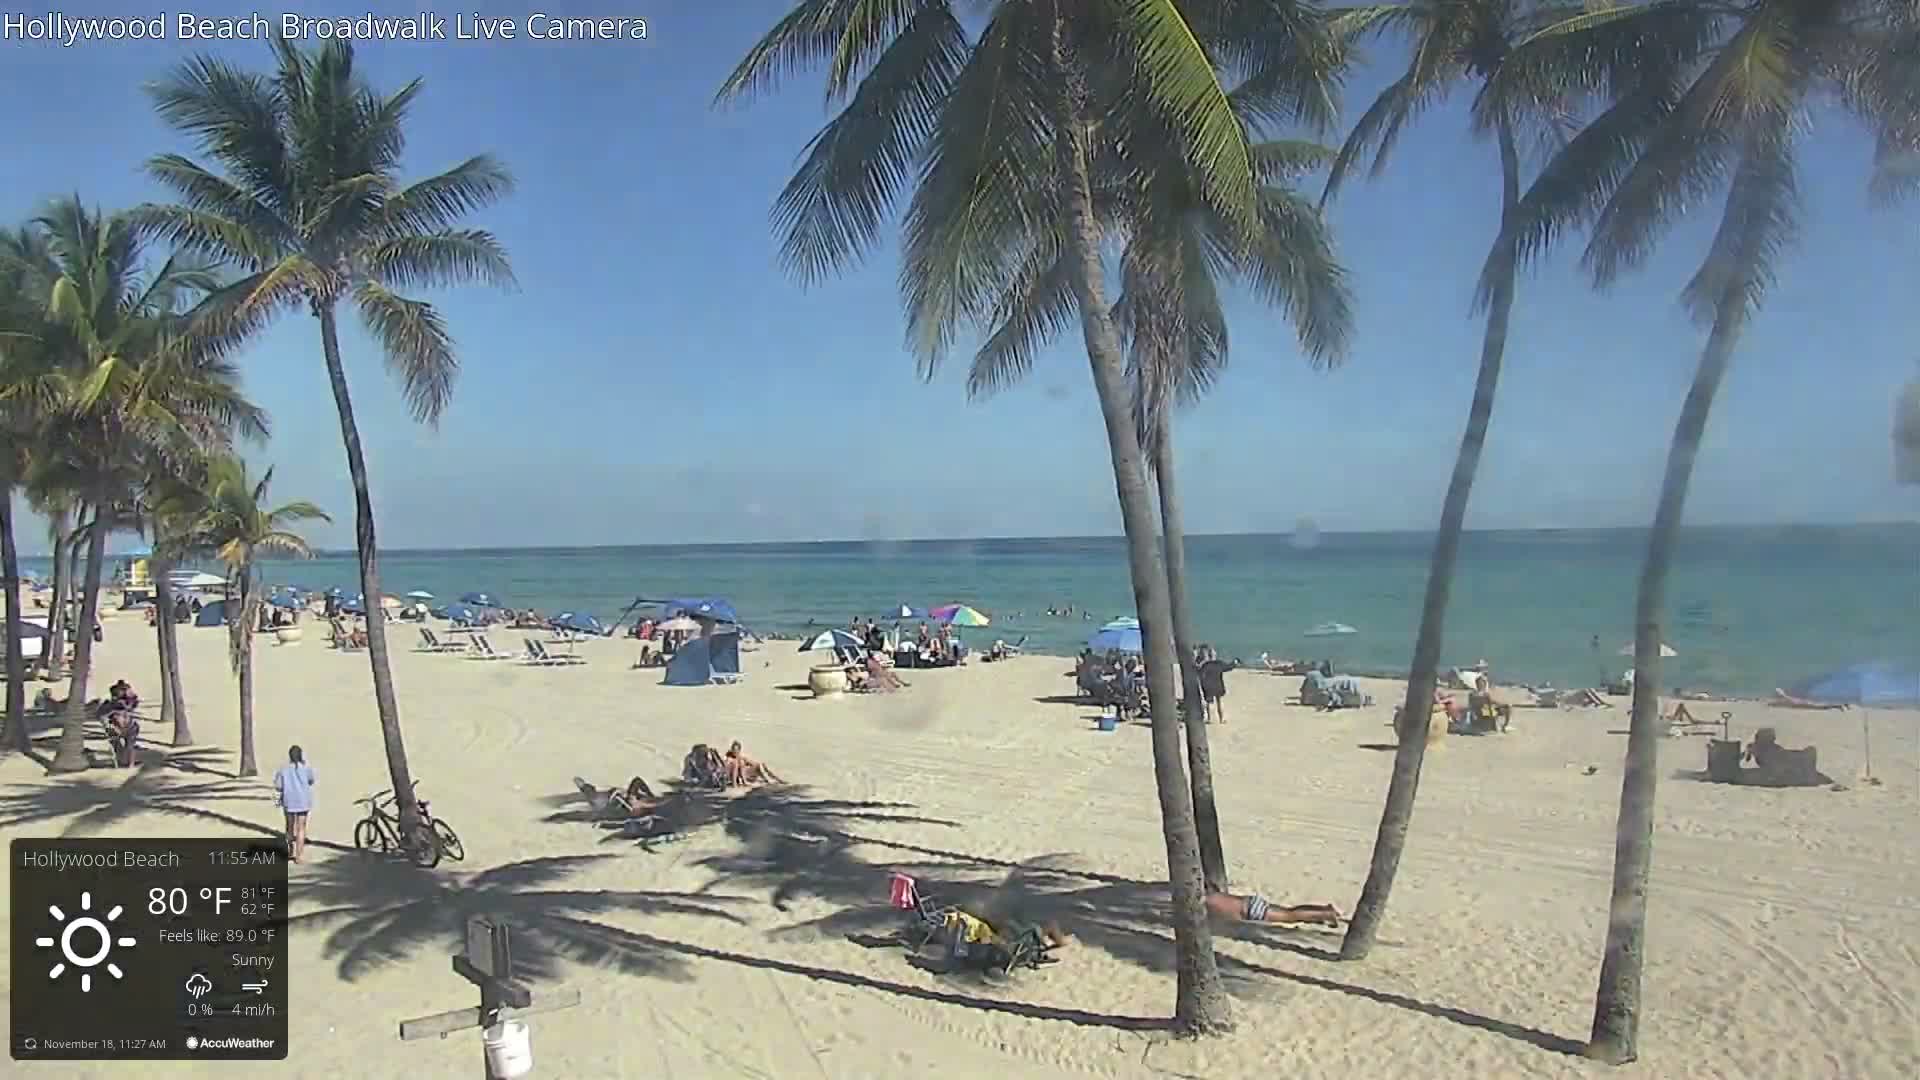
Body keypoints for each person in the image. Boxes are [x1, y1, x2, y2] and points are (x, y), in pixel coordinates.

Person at [273, 746, 316, 862]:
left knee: (289, 827)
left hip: (289, 801)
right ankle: (299, 855)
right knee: (301, 828)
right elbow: (311, 780)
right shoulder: (306, 767)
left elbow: (278, 786)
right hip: (303, 801)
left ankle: (290, 851)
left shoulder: (283, 769)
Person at [1204, 891, 1342, 927]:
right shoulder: (1208, 893)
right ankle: (1324, 910)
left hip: (1252, 911)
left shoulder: (1203, 900)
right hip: (1249, 902)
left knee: (1290, 916)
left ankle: (1327, 914)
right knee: (1290, 911)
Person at [1197, 646, 1236, 723]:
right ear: (1214, 655)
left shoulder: (1206, 665)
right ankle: (1221, 719)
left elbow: (1201, 674)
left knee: (1209, 703)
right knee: (1219, 702)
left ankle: (1210, 719)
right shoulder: (1219, 663)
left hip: (1208, 686)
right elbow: (1228, 667)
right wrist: (1234, 663)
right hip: (1218, 685)